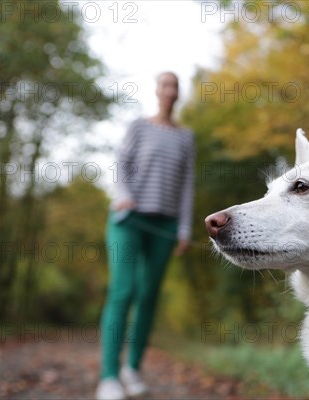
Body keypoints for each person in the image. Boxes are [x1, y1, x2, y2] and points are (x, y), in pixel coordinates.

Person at [96, 72, 195, 400]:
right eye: (165, 85)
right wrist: (122, 193)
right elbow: (120, 164)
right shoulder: (139, 126)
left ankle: (132, 368)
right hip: (128, 218)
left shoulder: (186, 137)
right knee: (123, 290)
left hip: (164, 226)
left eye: (175, 86)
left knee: (149, 296)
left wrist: (183, 228)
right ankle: (109, 375)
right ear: (157, 91)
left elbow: (187, 184)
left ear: (178, 94)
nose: (170, 91)